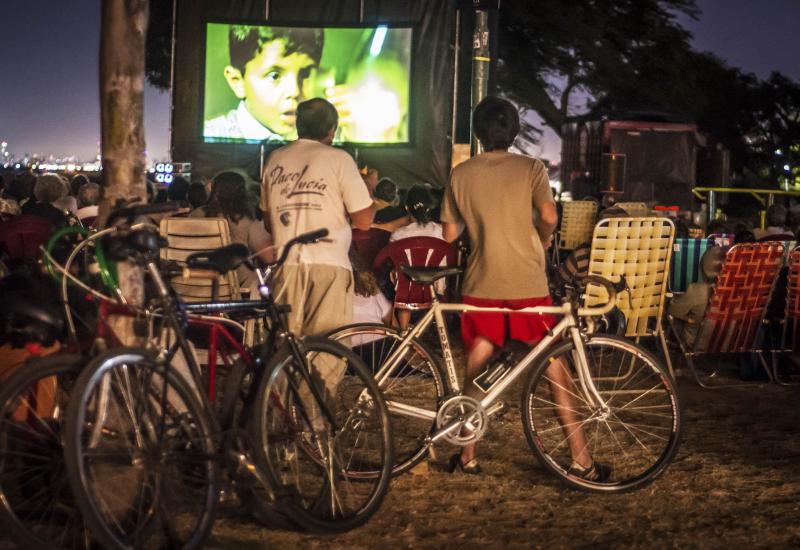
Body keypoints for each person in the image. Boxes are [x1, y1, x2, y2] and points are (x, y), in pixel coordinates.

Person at [440, 96, 606, 480]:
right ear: (514, 132)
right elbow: (549, 216)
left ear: (479, 134)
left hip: (481, 282)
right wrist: (542, 237)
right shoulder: (531, 167)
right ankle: (581, 458)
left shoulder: (461, 174)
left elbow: (450, 233)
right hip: (528, 282)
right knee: (554, 368)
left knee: (477, 369)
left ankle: (467, 457)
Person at [260, 98, 374, 345]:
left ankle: (284, 386)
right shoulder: (339, 159)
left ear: (298, 125)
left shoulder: (275, 159)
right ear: (331, 129)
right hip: (329, 264)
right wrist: (370, 190)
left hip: (286, 265)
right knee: (328, 347)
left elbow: (269, 223)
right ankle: (314, 386)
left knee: (285, 348)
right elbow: (364, 221)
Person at [204, 25, 323, 142]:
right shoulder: (210, 135)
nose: (295, 91)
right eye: (274, 76)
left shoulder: (327, 135)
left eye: (305, 74)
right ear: (237, 81)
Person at [203, 171, 274, 288]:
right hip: (237, 288)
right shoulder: (246, 221)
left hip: (195, 284)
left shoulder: (195, 215)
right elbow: (269, 257)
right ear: (243, 194)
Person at [668, 245, 726, 351]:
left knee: (675, 317)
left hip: (697, 343)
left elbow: (673, 310)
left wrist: (690, 319)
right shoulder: (736, 293)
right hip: (725, 343)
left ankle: (674, 355)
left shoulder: (696, 290)